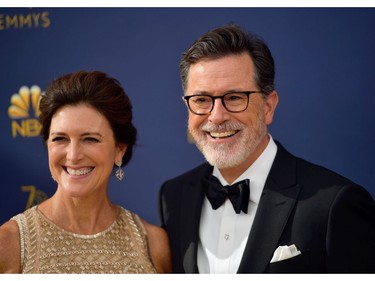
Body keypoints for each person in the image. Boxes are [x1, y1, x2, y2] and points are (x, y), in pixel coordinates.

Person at [158, 24, 375, 273]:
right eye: (201, 100)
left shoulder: (335, 205)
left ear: (268, 107)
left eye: (234, 97)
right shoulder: (173, 197)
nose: (216, 117)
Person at [0, 70, 171, 273]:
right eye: (60, 139)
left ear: (119, 150)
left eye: (90, 139)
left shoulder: (152, 242)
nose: (73, 156)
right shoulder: (10, 242)